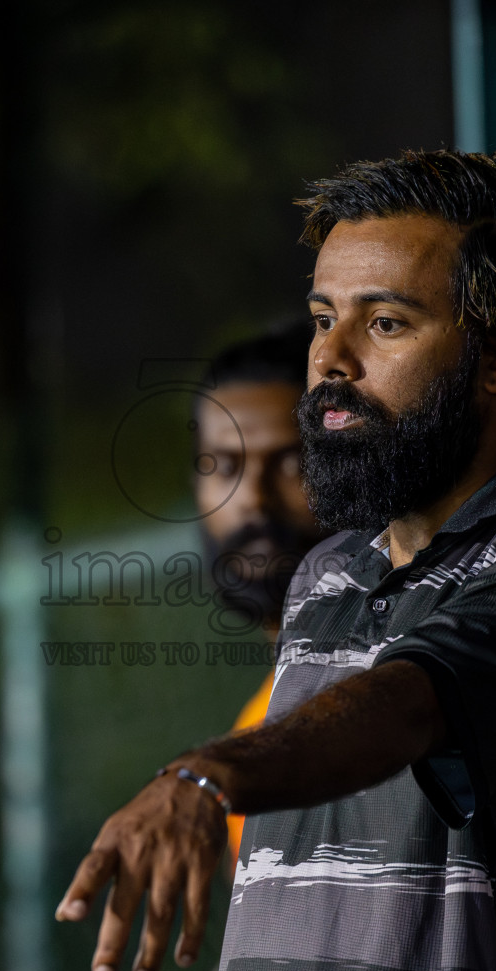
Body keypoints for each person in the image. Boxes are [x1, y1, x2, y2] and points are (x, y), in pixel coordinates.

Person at [57, 150, 496, 971]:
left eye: (384, 323)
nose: (329, 358)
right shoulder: (325, 573)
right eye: (321, 319)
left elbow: (412, 704)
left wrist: (204, 778)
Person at [192, 323, 327, 860]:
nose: (252, 499)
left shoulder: (404, 680)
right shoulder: (250, 735)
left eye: (292, 462)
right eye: (225, 466)